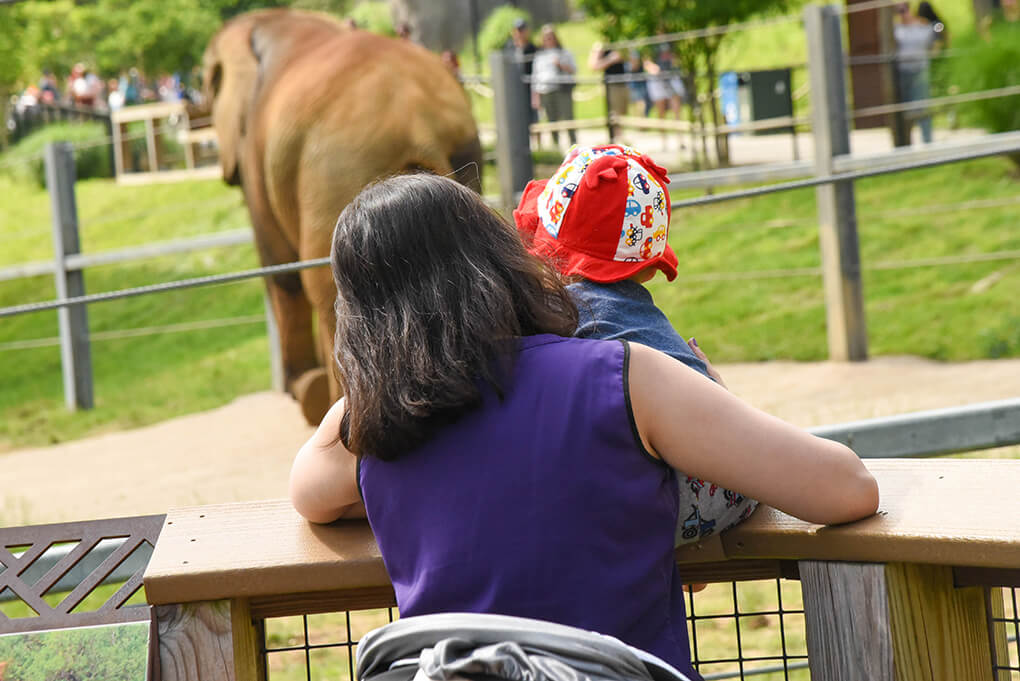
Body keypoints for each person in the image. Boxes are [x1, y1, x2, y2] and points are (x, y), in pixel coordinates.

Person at [289, 172, 879, 680]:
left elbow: (309, 493)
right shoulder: (624, 377)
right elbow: (847, 488)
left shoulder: (370, 426)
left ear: (358, 315)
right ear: (502, 258)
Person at [512, 143, 757, 542]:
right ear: (645, 271)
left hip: (687, 487)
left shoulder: (559, 312)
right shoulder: (635, 315)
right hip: (714, 481)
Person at [894, 2, 939, 144]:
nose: (902, 13)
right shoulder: (895, 29)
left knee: (922, 107)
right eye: (899, 10)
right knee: (903, 109)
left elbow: (936, 33)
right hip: (902, 72)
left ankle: (928, 141)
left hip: (919, 70)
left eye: (904, 9)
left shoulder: (922, 27)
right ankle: (904, 144)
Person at [531, 24, 577, 147]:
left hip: (562, 89)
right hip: (546, 91)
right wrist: (535, 96)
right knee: (552, 120)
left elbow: (573, 70)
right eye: (546, 37)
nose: (548, 39)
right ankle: (556, 146)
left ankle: (573, 145)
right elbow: (535, 76)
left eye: (551, 37)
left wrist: (560, 64)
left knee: (568, 118)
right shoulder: (539, 56)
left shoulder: (564, 52)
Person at [588, 42, 628, 138]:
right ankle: (617, 139)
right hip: (611, 85)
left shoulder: (622, 42)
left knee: (622, 114)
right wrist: (611, 59)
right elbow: (593, 65)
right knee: (614, 114)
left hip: (625, 84)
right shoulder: (601, 45)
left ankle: (621, 138)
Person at [509, 18, 538, 129]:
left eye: (522, 30)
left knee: (533, 117)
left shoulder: (533, 49)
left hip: (530, 88)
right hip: (515, 89)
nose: (520, 33)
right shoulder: (509, 50)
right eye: (517, 30)